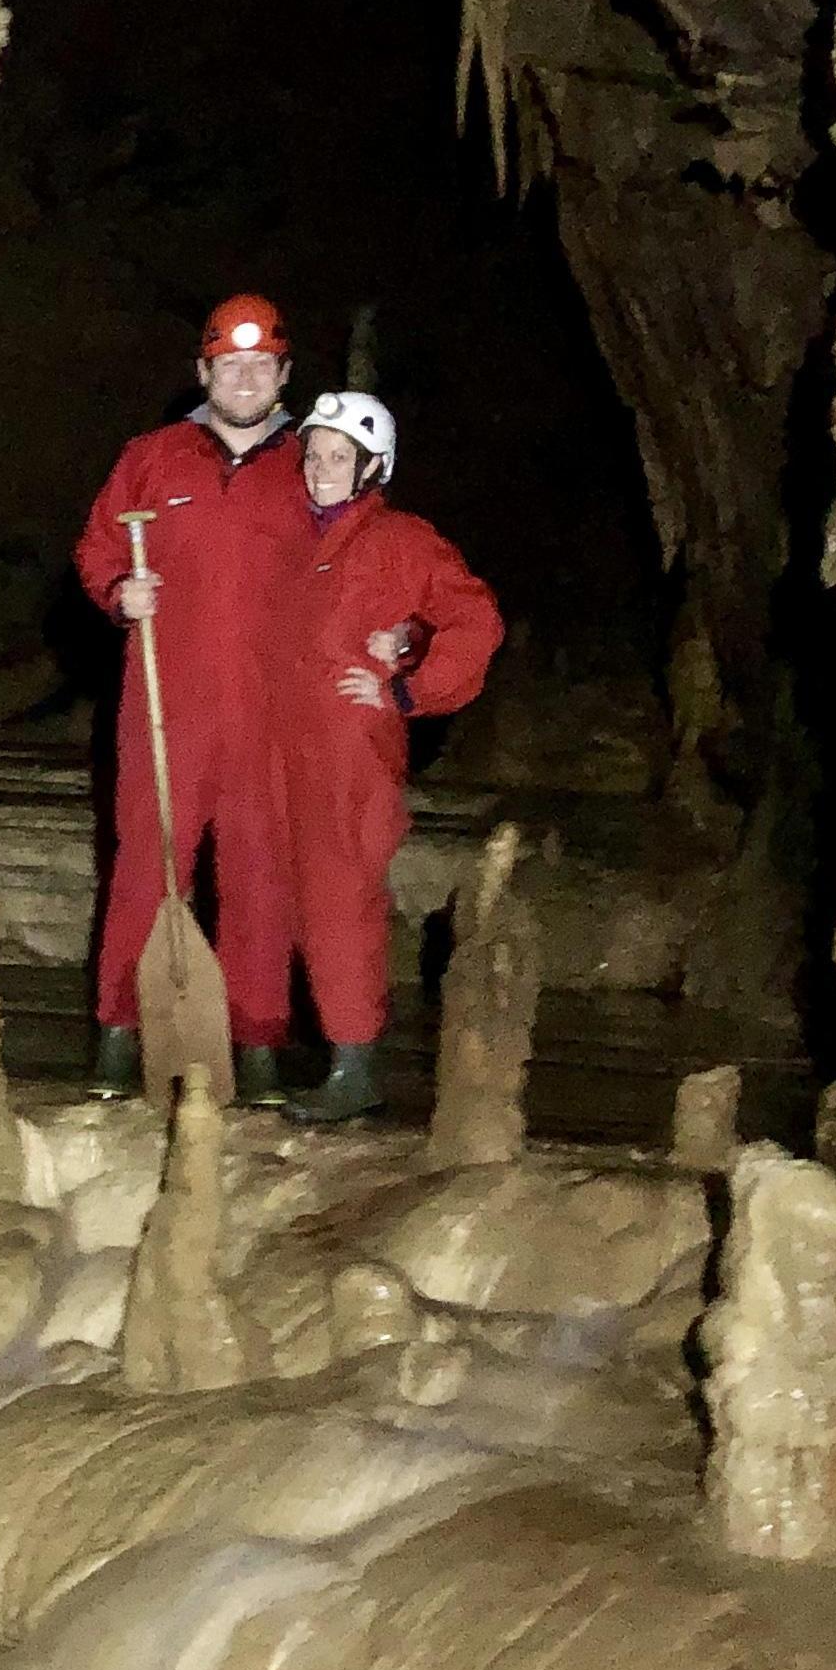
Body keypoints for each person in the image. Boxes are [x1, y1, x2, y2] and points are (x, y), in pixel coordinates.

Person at [73, 293, 314, 1098]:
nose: (244, 378)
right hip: (168, 705)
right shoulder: (153, 456)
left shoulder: (315, 463)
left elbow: (364, 561)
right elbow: (99, 545)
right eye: (228, 365)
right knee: (147, 865)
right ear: (204, 371)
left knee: (260, 874)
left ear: (282, 374)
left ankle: (257, 1042)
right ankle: (119, 1030)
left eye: (260, 365)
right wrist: (118, 592)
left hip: (272, 711)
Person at [275, 387, 503, 1125]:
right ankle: (274, 1047)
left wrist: (408, 687)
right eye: (313, 456)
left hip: (349, 748)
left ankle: (353, 1066)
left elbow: (476, 620)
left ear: (373, 468)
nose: (320, 470)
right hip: (279, 741)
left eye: (338, 459)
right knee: (280, 897)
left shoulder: (399, 541)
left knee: (340, 899)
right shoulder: (290, 537)